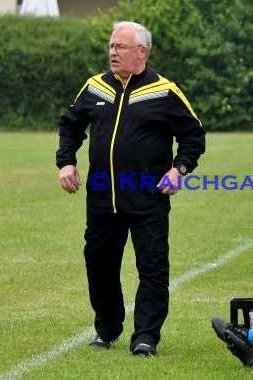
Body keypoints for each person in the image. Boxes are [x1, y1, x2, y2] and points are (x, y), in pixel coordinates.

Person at [56, 21, 206, 355]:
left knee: (152, 267)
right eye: (111, 46)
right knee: (99, 265)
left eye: (119, 47)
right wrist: (66, 161)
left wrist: (179, 168)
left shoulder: (164, 91)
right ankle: (106, 330)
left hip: (148, 199)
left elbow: (193, 135)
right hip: (101, 198)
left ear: (141, 51)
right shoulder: (94, 87)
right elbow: (70, 125)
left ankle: (146, 336)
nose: (112, 52)